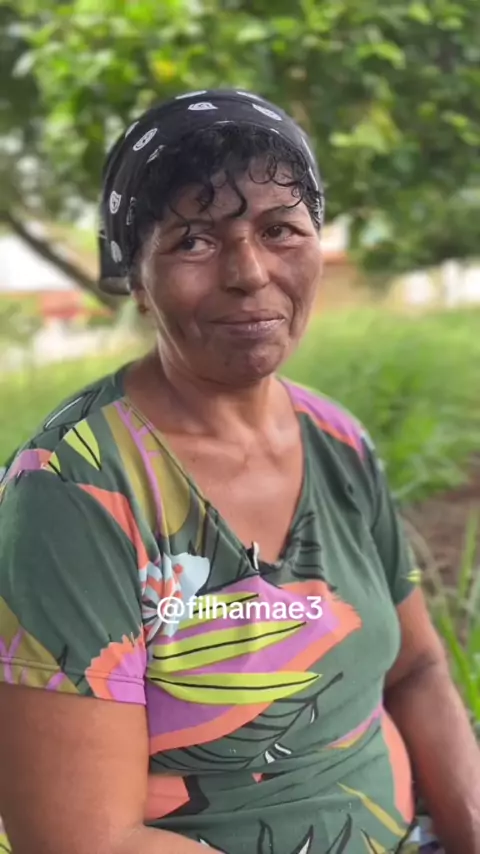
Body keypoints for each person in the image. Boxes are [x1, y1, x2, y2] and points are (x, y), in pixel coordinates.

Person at [0, 89, 478, 854]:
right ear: (137, 280)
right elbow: (85, 841)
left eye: (279, 229)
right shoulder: (71, 492)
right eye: (193, 241)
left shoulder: (335, 439)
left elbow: (416, 668)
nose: (249, 273)